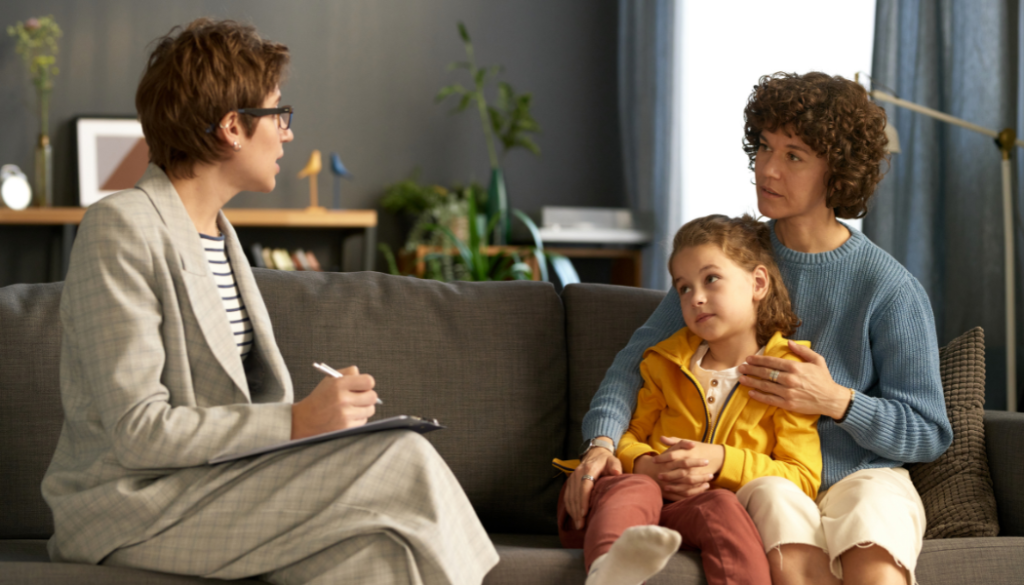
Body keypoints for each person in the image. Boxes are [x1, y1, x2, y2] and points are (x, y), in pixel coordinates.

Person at [42, 19, 498, 585]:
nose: (286, 133)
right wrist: (299, 421)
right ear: (232, 128)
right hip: (134, 506)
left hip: (216, 486)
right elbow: (138, 431)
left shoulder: (220, 234)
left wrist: (321, 426)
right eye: (278, 114)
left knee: (381, 559)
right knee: (402, 456)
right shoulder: (121, 226)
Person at [564, 72, 953, 585]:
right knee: (779, 522)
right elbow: (635, 365)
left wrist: (837, 400)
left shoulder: (890, 287)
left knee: (875, 566)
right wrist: (602, 445)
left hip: (862, 475)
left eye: (794, 155)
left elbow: (927, 432)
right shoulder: (731, 261)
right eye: (765, 147)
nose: (767, 169)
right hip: (765, 474)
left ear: (836, 172)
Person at [557, 214, 822, 585]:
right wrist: (648, 466)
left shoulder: (787, 374)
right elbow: (628, 437)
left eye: (710, 279)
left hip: (692, 510)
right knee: (638, 486)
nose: (695, 297)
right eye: (682, 288)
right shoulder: (664, 361)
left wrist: (722, 461)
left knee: (723, 506)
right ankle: (609, 571)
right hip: (626, 500)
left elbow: (802, 478)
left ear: (758, 282)